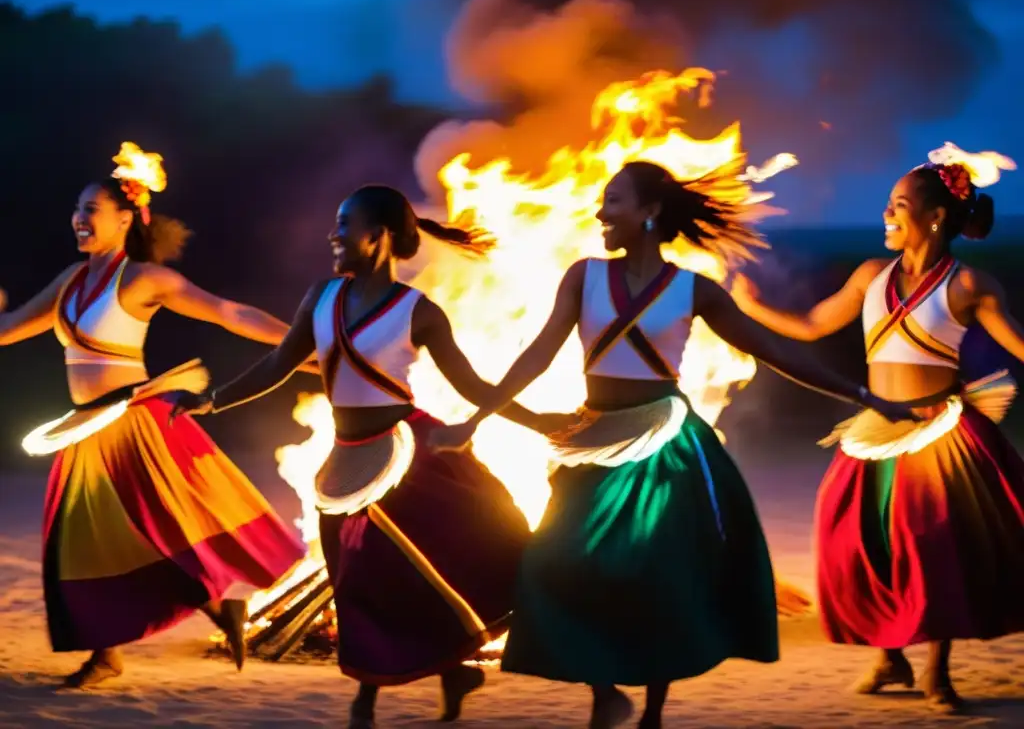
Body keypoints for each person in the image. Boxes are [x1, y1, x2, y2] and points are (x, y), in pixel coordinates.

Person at [429, 159, 913, 729]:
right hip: (592, 441)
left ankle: (653, 713)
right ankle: (604, 690)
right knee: (555, 562)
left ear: (650, 212)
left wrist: (862, 393)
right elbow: (538, 355)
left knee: (659, 575)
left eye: (614, 201)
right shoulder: (583, 277)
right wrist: (477, 418)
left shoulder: (693, 290)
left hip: (668, 449)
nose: (601, 212)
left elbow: (775, 351)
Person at [171, 184, 555, 728]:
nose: (334, 234)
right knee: (361, 583)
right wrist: (212, 401)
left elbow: (472, 385)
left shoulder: (419, 312)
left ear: (377, 237)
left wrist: (538, 422)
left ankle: (365, 705)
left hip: (414, 461)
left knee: (427, 569)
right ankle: (454, 673)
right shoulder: (320, 298)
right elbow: (278, 365)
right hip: (346, 461)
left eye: (344, 224)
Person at [0, 143, 307, 688]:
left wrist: (305, 351)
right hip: (83, 429)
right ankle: (124, 647)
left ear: (124, 219)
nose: (78, 217)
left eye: (90, 209)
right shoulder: (70, 281)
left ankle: (157, 631)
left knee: (152, 533)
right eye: (76, 207)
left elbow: (230, 313)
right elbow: (10, 328)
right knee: (84, 544)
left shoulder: (144, 279)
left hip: (133, 424)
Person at [730, 155, 1024, 713]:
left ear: (936, 218)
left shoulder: (967, 285)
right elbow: (815, 323)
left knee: (933, 548)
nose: (886, 213)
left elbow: (1018, 344)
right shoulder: (871, 276)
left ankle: (938, 670)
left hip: (940, 433)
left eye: (900, 206)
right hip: (875, 431)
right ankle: (891, 656)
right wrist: (750, 307)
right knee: (858, 539)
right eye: (888, 204)